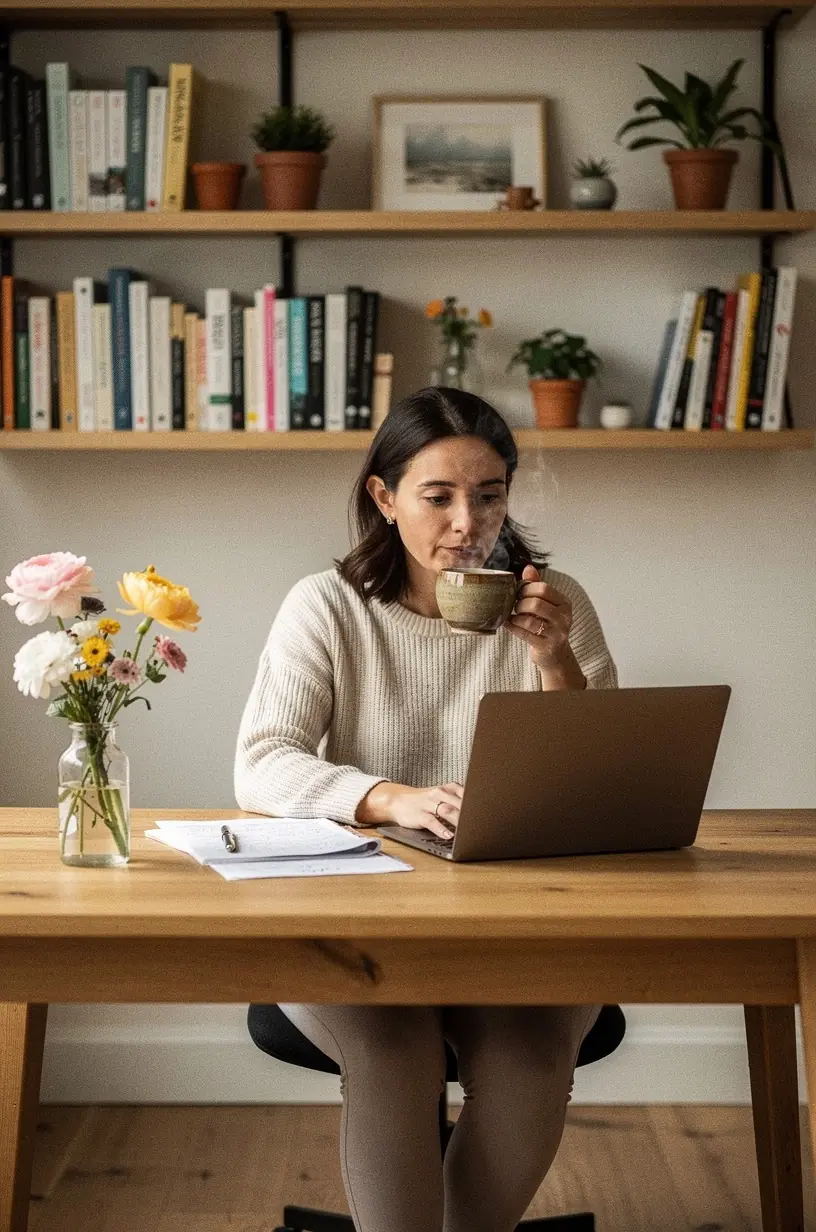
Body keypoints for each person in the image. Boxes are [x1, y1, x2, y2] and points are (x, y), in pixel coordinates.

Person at [234, 386, 618, 1232]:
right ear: (384, 497)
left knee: (529, 1050)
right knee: (393, 1048)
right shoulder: (327, 606)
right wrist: (389, 797)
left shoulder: (559, 605)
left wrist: (556, 664)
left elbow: (598, 779)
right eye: (437, 497)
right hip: (357, 920)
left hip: (522, 919)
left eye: (488, 496)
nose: (465, 523)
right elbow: (261, 764)